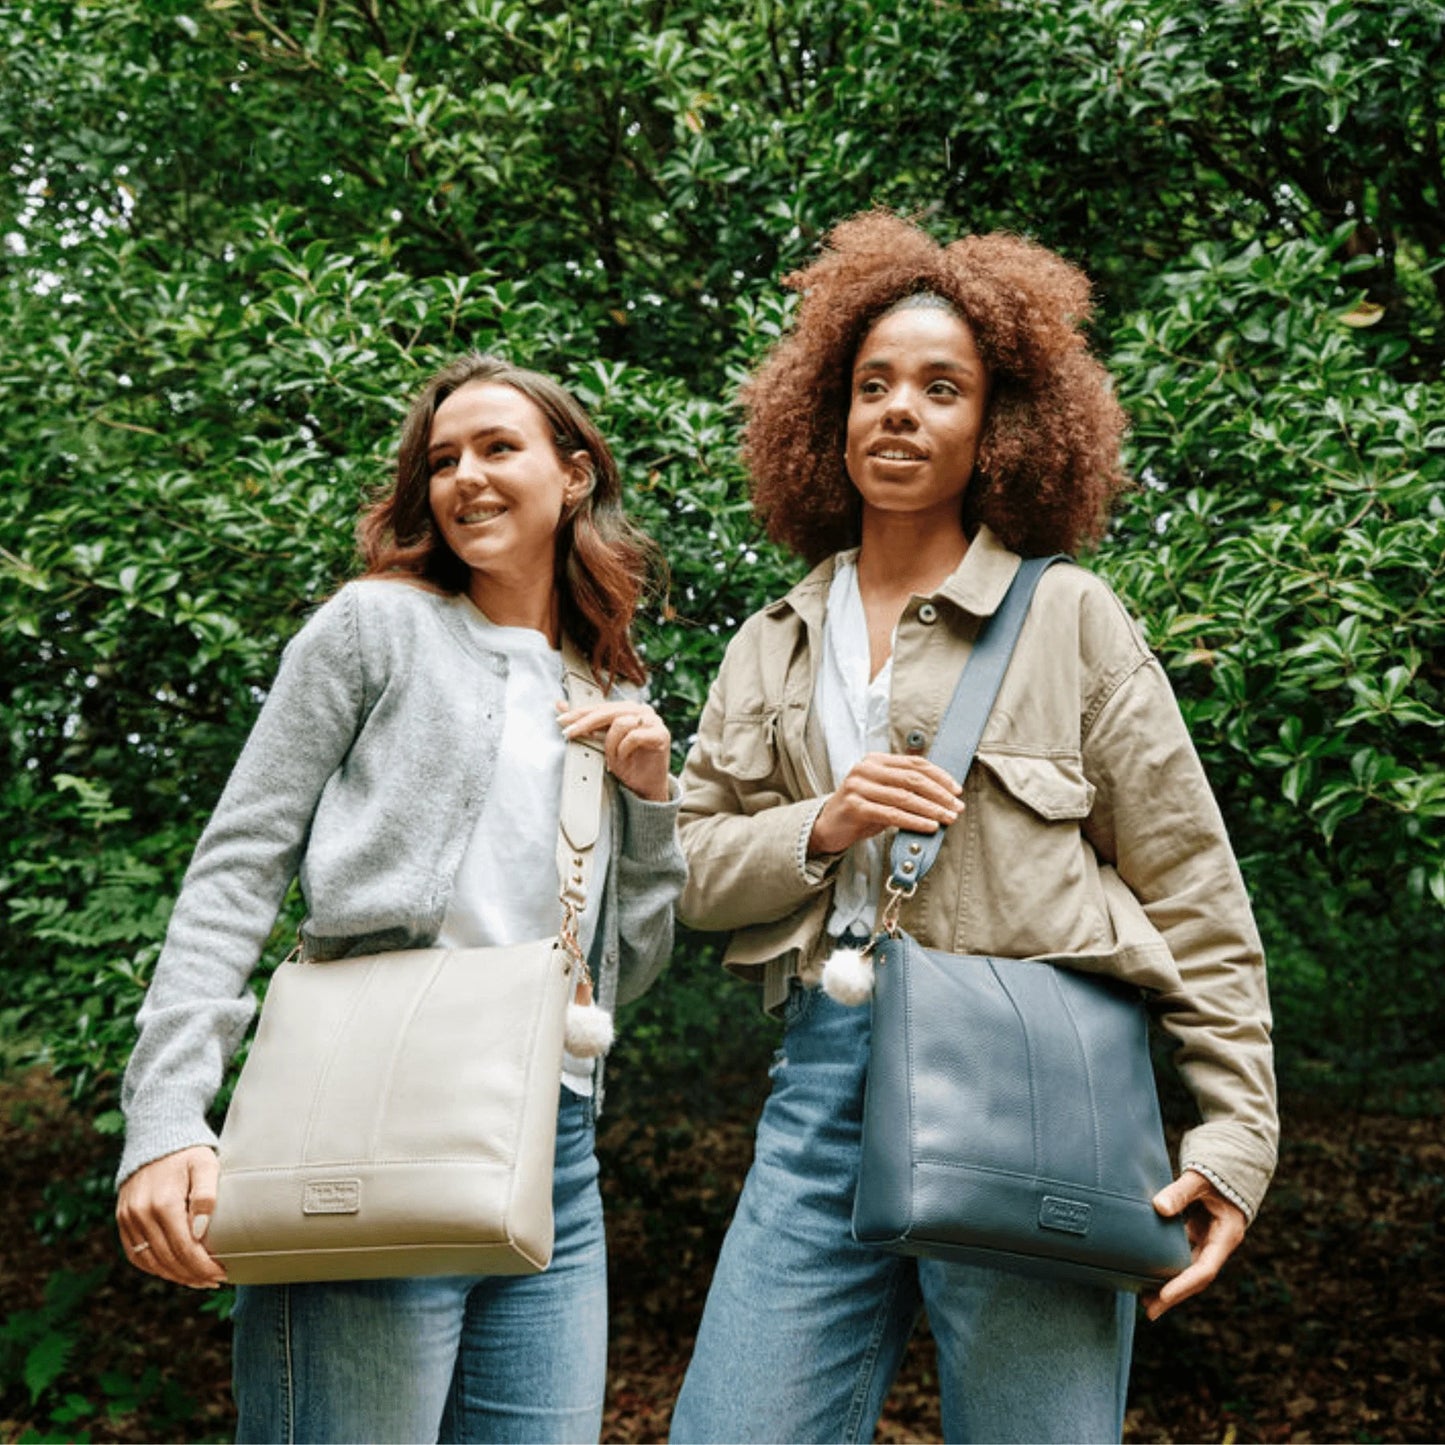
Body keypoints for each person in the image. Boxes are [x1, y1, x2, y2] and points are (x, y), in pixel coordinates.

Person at [668, 212, 1278, 1445]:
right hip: (818, 1088)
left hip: (1034, 1091)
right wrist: (822, 822)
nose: (898, 410)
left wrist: (1233, 1134)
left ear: (997, 427)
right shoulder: (770, 639)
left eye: (940, 388)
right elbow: (683, 872)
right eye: (871, 384)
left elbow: (1190, 888)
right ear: (824, 415)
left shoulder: (1071, 621)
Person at [114, 352, 686, 1444]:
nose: (464, 476)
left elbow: (628, 967)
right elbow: (239, 862)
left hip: (553, 1151)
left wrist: (650, 802)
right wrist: (165, 1111)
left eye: (496, 448)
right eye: (442, 460)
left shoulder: (606, 689)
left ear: (572, 475)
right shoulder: (373, 628)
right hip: (370, 1113)